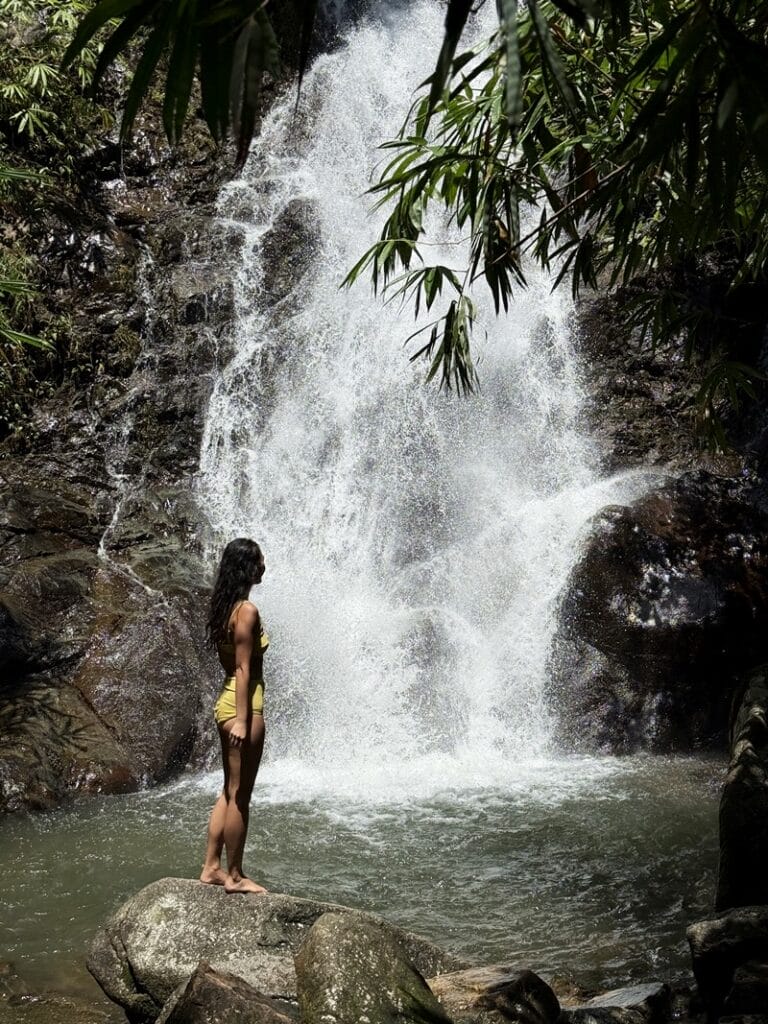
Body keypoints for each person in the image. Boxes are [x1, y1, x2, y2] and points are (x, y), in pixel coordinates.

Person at [200, 537, 269, 894]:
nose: (264, 564)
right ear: (246, 566)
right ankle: (236, 877)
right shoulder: (246, 612)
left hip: (226, 703)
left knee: (228, 791)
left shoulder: (224, 607)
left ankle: (211, 867)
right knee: (241, 795)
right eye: (259, 559)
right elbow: (243, 669)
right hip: (242, 706)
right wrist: (243, 719)